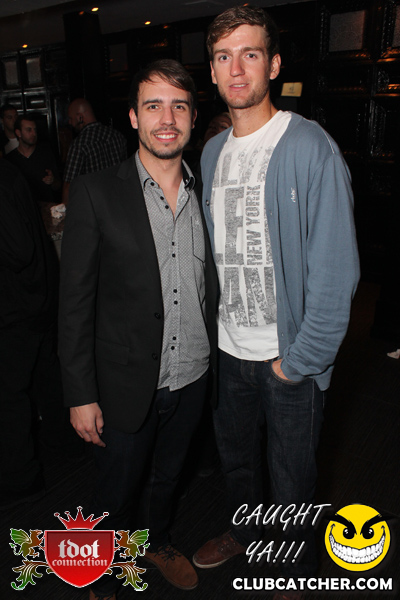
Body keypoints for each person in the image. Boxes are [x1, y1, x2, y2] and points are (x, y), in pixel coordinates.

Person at [192, 6, 360, 597]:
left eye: (250, 54)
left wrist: (300, 361)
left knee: (292, 482)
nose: (236, 69)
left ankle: (288, 569)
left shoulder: (309, 147)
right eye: (223, 56)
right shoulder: (212, 152)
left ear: (274, 64)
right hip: (228, 352)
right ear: (213, 70)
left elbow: (336, 270)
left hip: (287, 357)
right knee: (238, 465)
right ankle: (245, 534)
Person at [58, 59, 218, 600]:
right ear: (133, 117)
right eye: (153, 106)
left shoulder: (208, 193)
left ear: (193, 117)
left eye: (179, 106)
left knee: (168, 478)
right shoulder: (96, 191)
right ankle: (100, 573)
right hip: (123, 383)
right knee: (114, 491)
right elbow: (74, 304)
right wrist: (80, 394)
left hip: (192, 375)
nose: (166, 119)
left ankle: (157, 541)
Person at [0, 160, 65, 511]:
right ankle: (64, 446)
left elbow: (18, 250)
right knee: (45, 377)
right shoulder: (9, 171)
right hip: (36, 297)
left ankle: (21, 480)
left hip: (17, 307)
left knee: (10, 396)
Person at [62, 98, 128, 204]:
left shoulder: (79, 144)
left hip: (94, 205)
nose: (70, 122)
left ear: (80, 117)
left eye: (71, 118)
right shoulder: (117, 136)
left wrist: (64, 210)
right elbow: (126, 173)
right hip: (119, 201)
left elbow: (69, 185)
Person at [7, 114, 61, 203]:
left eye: (35, 130)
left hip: (46, 206)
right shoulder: (10, 160)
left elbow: (58, 185)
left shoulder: (45, 153)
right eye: (29, 130)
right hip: (23, 208)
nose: (34, 134)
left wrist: (52, 181)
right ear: (18, 133)